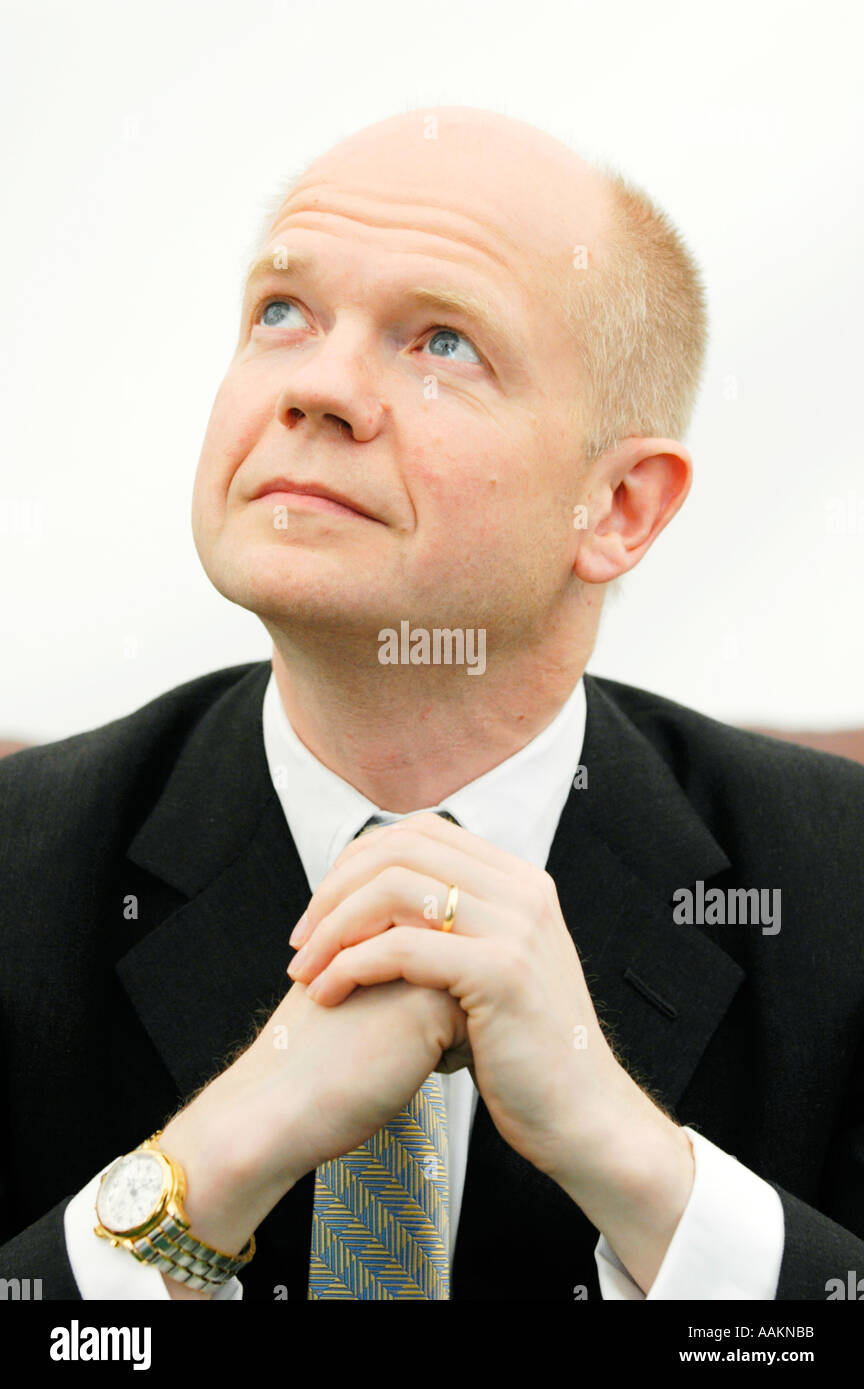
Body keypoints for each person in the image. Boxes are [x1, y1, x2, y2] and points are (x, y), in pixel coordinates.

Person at [1, 105, 862, 1303]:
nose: (319, 387)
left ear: (618, 508)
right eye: (282, 313)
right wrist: (207, 1166)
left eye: (442, 343)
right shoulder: (18, 862)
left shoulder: (839, 883)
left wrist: (646, 1178)